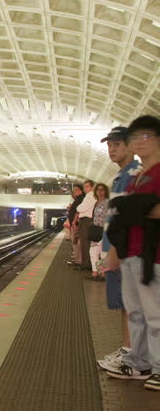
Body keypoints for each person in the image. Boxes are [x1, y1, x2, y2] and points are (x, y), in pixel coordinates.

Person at [105, 116, 160, 390]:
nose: (139, 142)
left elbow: (140, 211)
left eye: (146, 136)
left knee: (154, 314)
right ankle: (138, 362)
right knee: (137, 312)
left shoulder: (155, 173)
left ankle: (157, 366)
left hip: (153, 254)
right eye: (136, 137)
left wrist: (136, 209)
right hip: (133, 252)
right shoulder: (139, 176)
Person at [96, 126, 141, 373]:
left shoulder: (134, 174)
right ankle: (127, 349)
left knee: (131, 305)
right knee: (124, 304)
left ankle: (132, 354)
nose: (112, 150)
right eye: (109, 146)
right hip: (116, 250)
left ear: (130, 146)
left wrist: (115, 252)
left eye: (117, 145)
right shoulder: (121, 175)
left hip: (124, 252)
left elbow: (125, 218)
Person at [87, 183, 110, 281]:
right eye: (98, 190)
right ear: (95, 191)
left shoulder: (108, 202)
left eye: (102, 190)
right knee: (93, 252)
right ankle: (95, 272)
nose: (100, 192)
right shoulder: (96, 203)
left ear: (105, 191)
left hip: (104, 230)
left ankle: (103, 274)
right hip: (95, 230)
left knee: (102, 253)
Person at [75, 180, 97, 271]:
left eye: (87, 186)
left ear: (92, 187)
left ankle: (86, 265)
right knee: (84, 242)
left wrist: (78, 208)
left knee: (85, 242)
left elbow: (81, 208)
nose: (85, 188)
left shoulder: (91, 196)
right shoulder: (88, 196)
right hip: (86, 221)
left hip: (86, 221)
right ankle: (86, 264)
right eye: (84, 186)